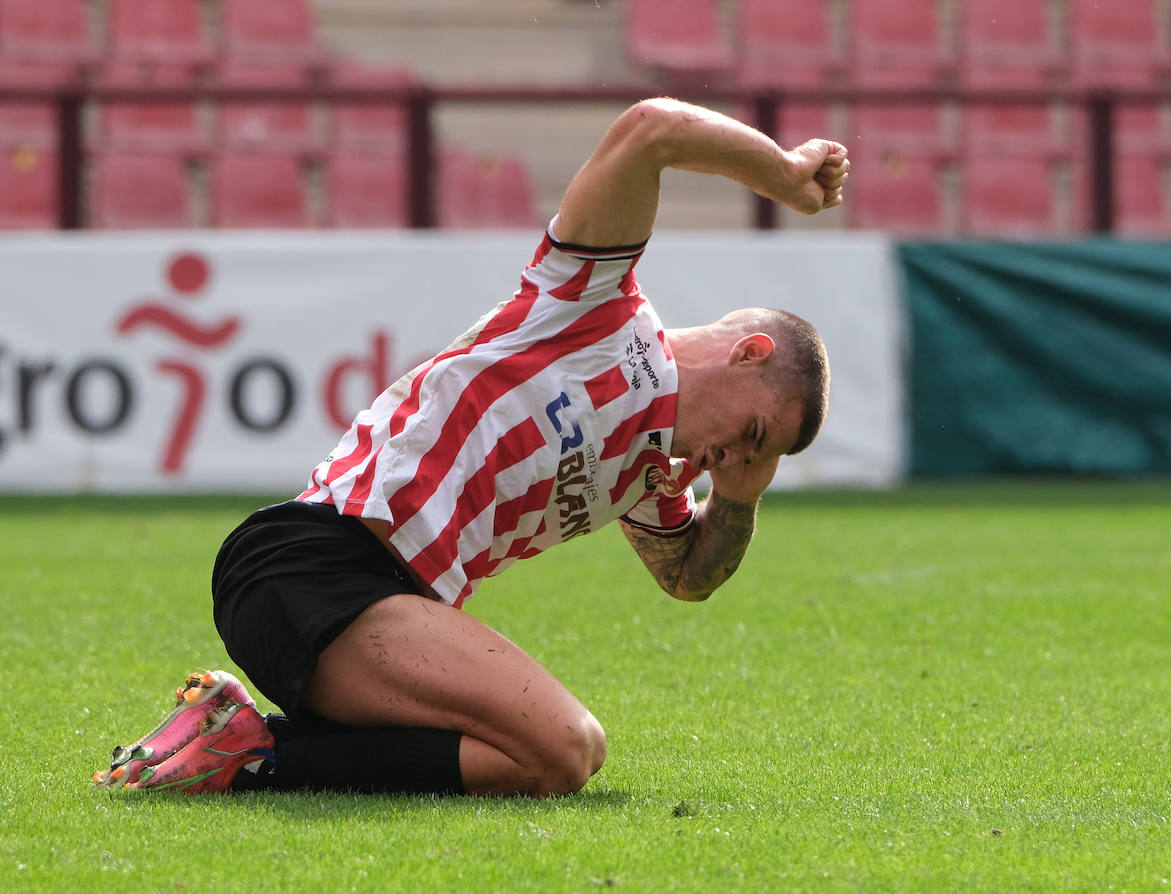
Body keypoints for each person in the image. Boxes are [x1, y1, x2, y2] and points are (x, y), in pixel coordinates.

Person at [92, 97, 848, 797]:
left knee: (557, 757)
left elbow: (687, 578)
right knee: (568, 747)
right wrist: (782, 173)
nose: (733, 458)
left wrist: (740, 499)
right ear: (748, 353)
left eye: (758, 458)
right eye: (752, 436)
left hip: (379, 609)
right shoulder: (594, 304)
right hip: (314, 563)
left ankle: (243, 745)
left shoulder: (652, 471)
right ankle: (251, 759)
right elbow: (652, 128)